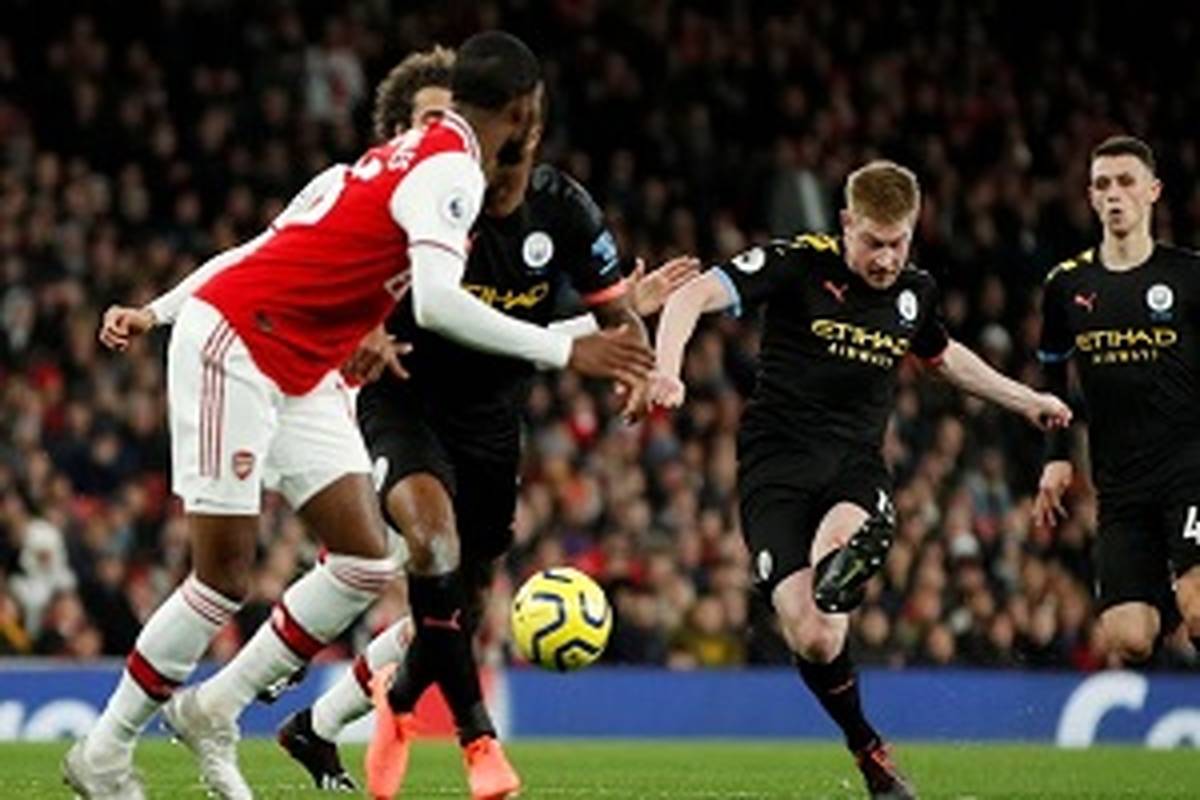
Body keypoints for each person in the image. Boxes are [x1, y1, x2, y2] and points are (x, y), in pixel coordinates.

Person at [68, 32, 653, 800]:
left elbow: (274, 250)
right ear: (522, 113)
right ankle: (105, 751)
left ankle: (215, 709)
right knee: (224, 576)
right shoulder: (450, 170)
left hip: (303, 367)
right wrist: (567, 349)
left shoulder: (401, 163)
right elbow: (435, 303)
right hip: (237, 345)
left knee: (364, 561)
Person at [266, 47, 696, 798]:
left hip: (493, 424)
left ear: (525, 135)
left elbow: (611, 312)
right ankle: (478, 742)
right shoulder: (429, 197)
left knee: (456, 610)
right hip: (403, 401)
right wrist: (363, 326)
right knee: (431, 540)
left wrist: (640, 362)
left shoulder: (564, 210)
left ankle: (357, 716)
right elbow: (342, 272)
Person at [649, 160, 1071, 799]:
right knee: (814, 636)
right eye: (874, 242)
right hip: (774, 469)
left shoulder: (915, 292)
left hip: (853, 464)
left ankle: (857, 547)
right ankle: (867, 747)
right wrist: (668, 369)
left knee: (834, 566)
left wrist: (1025, 400)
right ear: (846, 223)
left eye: (899, 242)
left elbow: (942, 357)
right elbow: (689, 296)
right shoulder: (798, 263)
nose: (886, 258)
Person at [1034, 135, 1200, 667]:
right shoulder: (1066, 285)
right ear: (1090, 196)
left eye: (1126, 181)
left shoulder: (1189, 275)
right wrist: (1056, 455)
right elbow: (1053, 370)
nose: (1114, 193)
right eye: (1102, 184)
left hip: (1190, 471)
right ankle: (1173, 589)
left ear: (1153, 191)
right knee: (1129, 638)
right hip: (1120, 484)